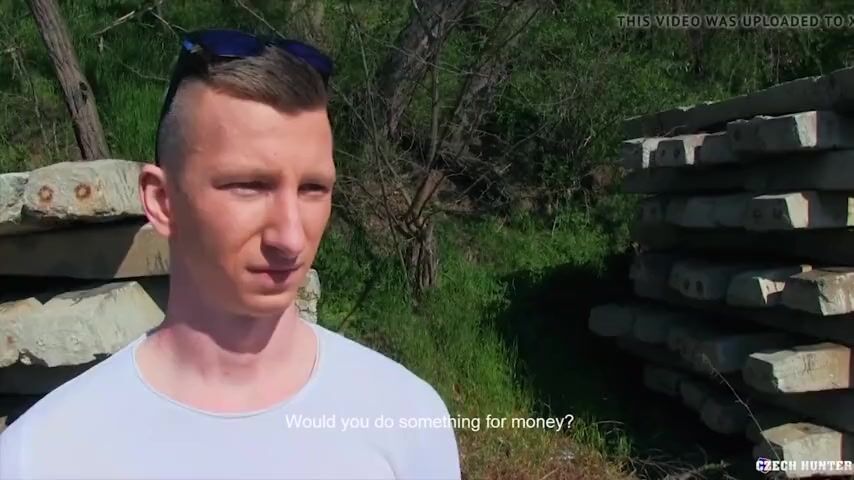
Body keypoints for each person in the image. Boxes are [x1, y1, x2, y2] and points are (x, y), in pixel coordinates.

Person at [0, 29, 461, 480]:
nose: (291, 237)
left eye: (313, 189)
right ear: (162, 201)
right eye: (248, 186)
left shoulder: (407, 418)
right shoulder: (41, 456)